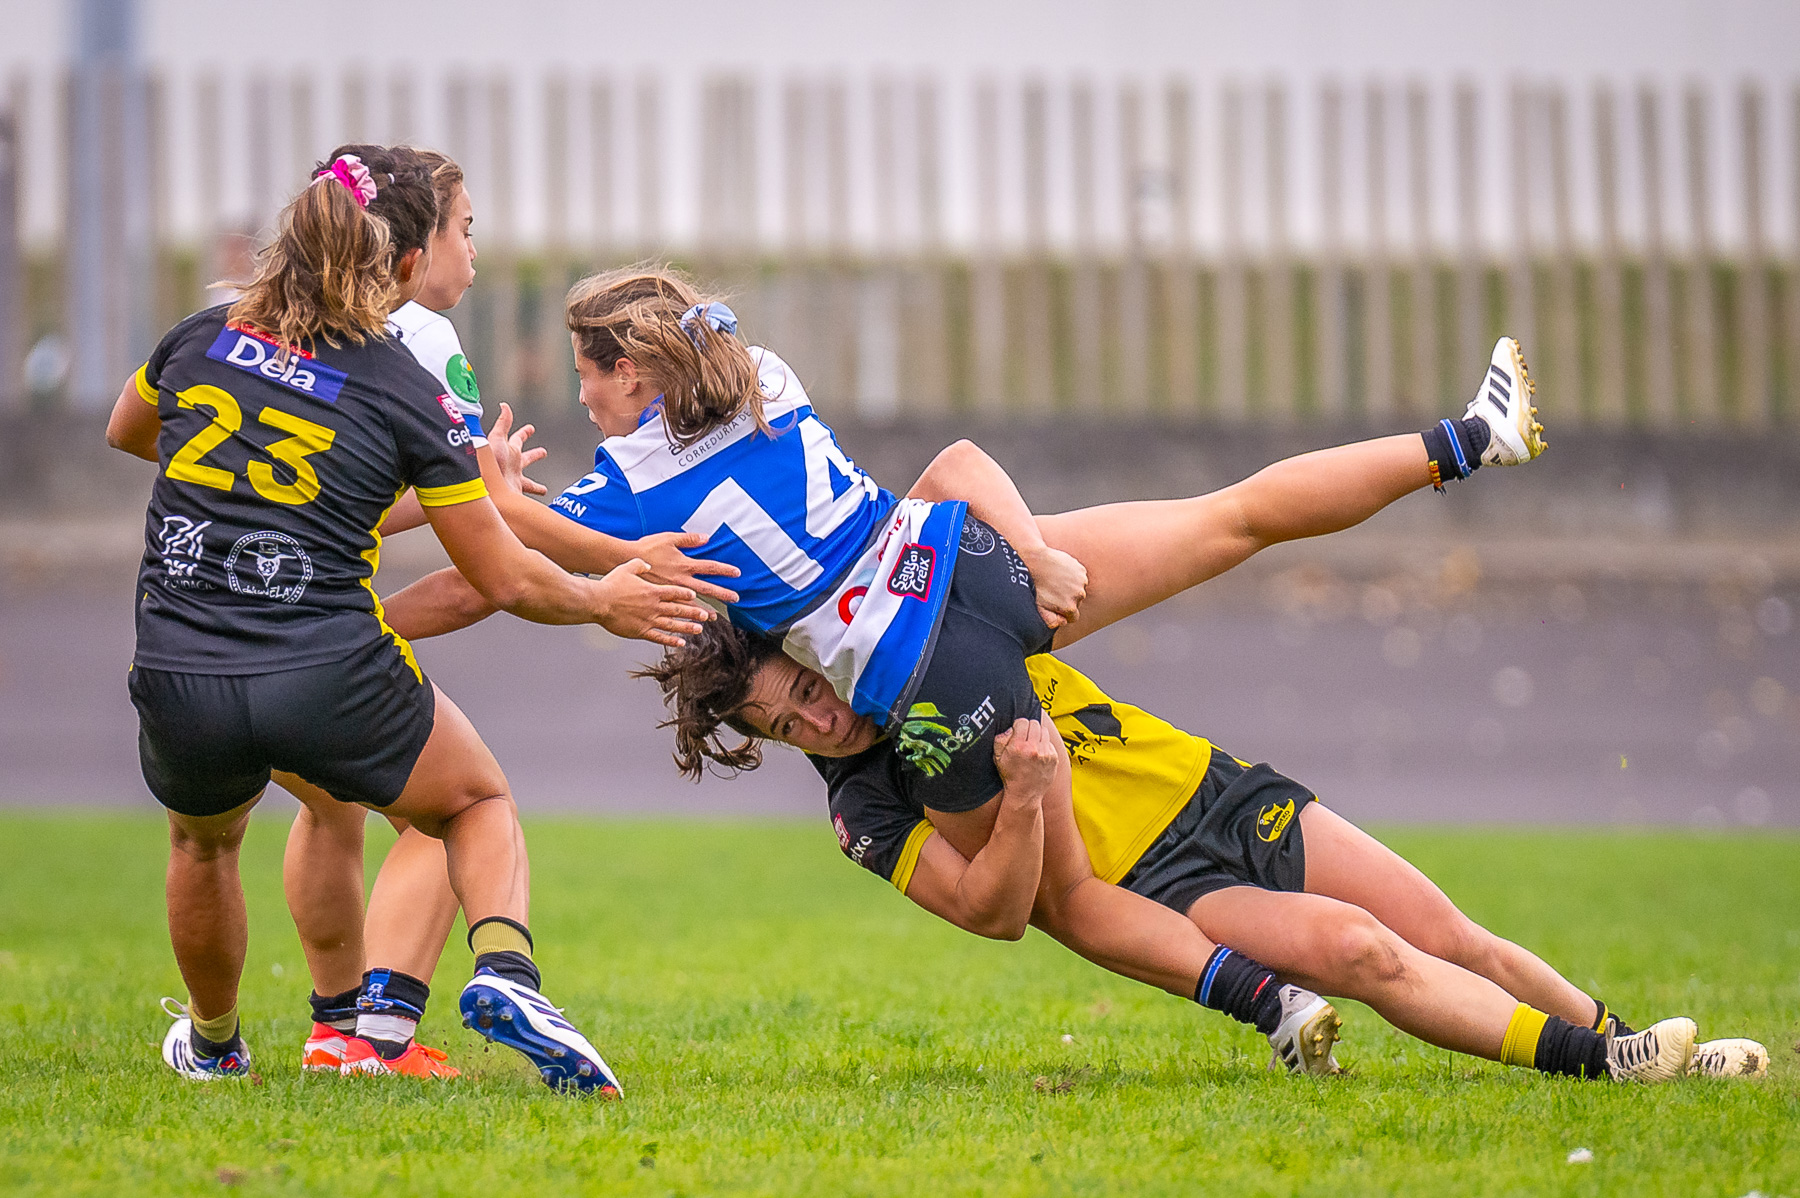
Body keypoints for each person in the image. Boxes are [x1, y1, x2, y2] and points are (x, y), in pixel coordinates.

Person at [103, 146, 711, 1094]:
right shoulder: (398, 382)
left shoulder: (201, 336)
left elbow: (131, 431)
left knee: (203, 844)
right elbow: (500, 575)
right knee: (470, 802)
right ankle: (505, 973)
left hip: (182, 663)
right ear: (396, 265)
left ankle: (218, 1046)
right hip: (324, 662)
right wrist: (604, 596)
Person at [637, 620, 1771, 1083]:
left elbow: (962, 476)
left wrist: (1029, 542)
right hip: (1167, 884)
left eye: (804, 691)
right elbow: (991, 909)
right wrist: (1030, 802)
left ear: (810, 643)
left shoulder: (926, 619)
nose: (817, 721)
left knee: (1450, 931)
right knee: (1365, 953)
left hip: (1221, 787)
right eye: (786, 727)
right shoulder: (865, 806)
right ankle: (1598, 1064)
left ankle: (1623, 1040)